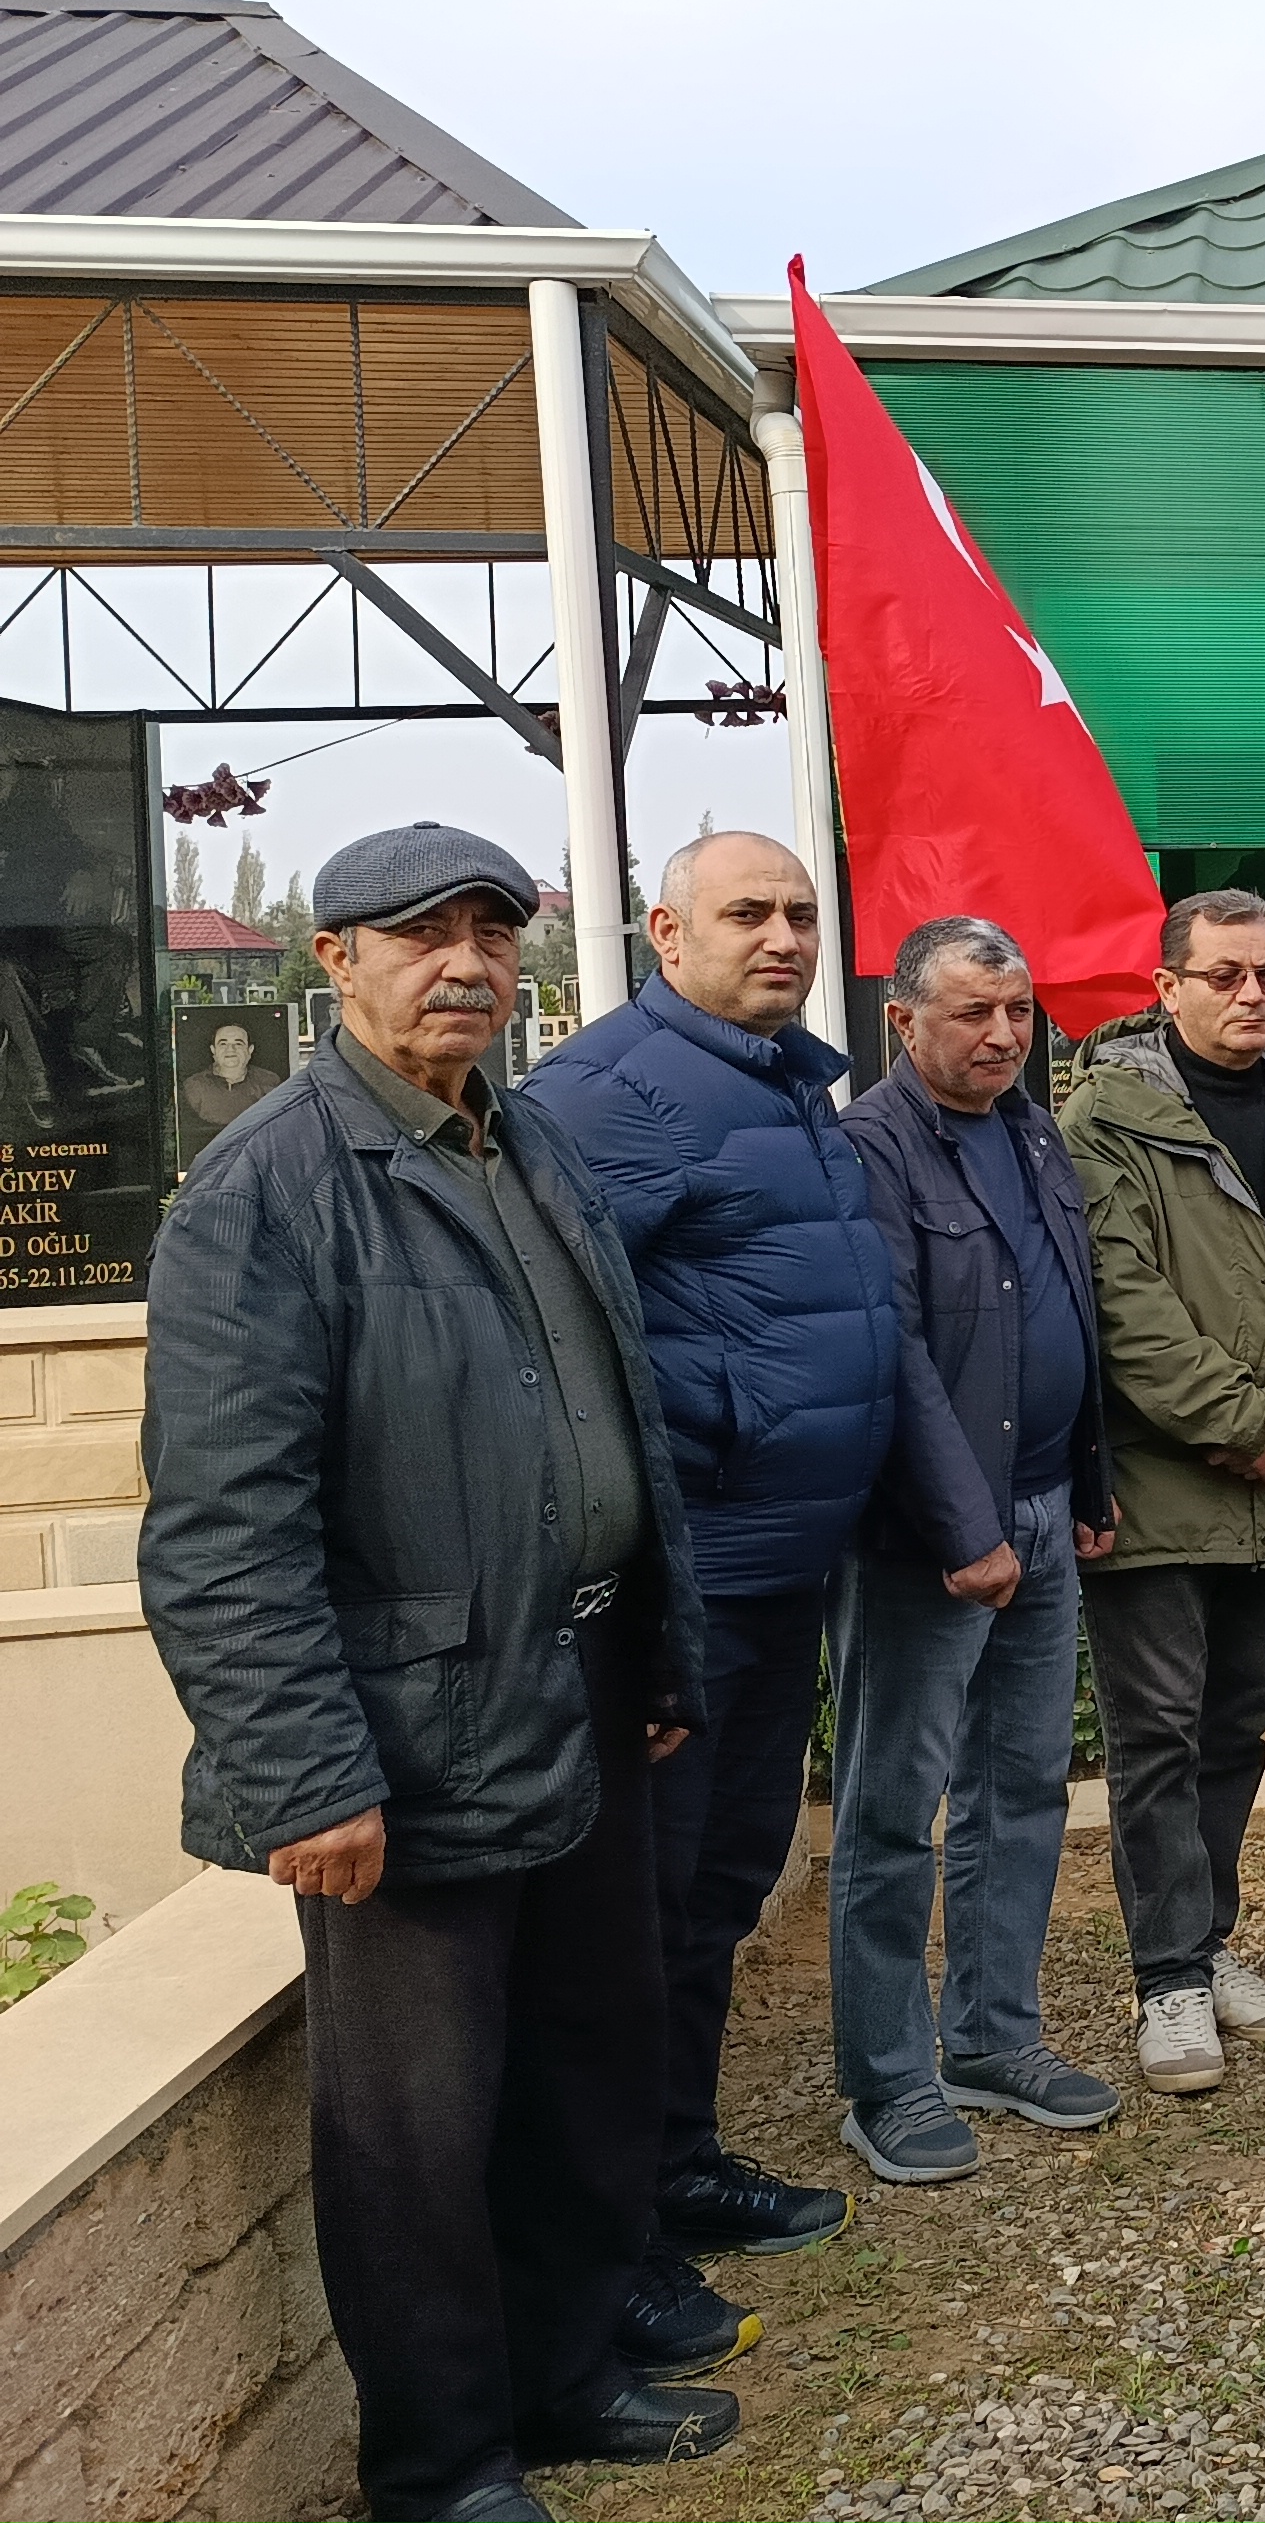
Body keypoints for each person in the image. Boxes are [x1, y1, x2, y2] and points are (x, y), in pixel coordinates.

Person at [141, 822, 735, 2521]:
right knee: (415, 2134)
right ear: (334, 961)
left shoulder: (524, 1141)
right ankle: (445, 2465)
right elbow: (223, 1527)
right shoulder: (267, 1194)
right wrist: (305, 1778)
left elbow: (609, 1422)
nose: (466, 962)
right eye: (420, 934)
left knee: (585, 2060)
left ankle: (565, 2375)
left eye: (492, 929)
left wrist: (657, 1651)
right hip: (405, 1740)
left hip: (584, 1686)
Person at [522, 831, 896, 2357]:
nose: (784, 936)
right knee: (642, 1917)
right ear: (665, 934)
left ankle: (677, 2164)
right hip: (685, 1585)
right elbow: (558, 1333)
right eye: (749, 912)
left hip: (779, 1570)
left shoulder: (786, 1084)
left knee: (721, 1890)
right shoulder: (613, 1094)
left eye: (802, 912)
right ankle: (610, 2243)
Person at [1059, 890, 1265, 2094]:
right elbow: (1120, 1301)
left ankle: (1207, 1943)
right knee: (1157, 1737)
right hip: (1157, 1486)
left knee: (1238, 1728)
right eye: (1225, 974)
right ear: (1167, 987)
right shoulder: (1104, 1120)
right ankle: (1167, 1982)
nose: (1253, 993)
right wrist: (1247, 1422)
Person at [827, 917, 1124, 2186]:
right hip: (933, 1542)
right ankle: (888, 2079)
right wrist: (965, 1529)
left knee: (1022, 1791)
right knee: (894, 1812)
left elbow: (1072, 1313)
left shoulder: (1033, 1131)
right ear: (904, 1021)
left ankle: (995, 2039)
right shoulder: (869, 1150)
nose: (1004, 1036)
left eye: (1019, 1012)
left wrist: (1089, 1484)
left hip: (1047, 1511)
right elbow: (888, 1350)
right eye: (973, 1013)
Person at [179, 1012, 284, 1140]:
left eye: (238, 1043)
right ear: (213, 1050)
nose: (230, 1049)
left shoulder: (269, 1082)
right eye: (223, 1044)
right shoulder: (194, 1086)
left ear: (250, 1050)